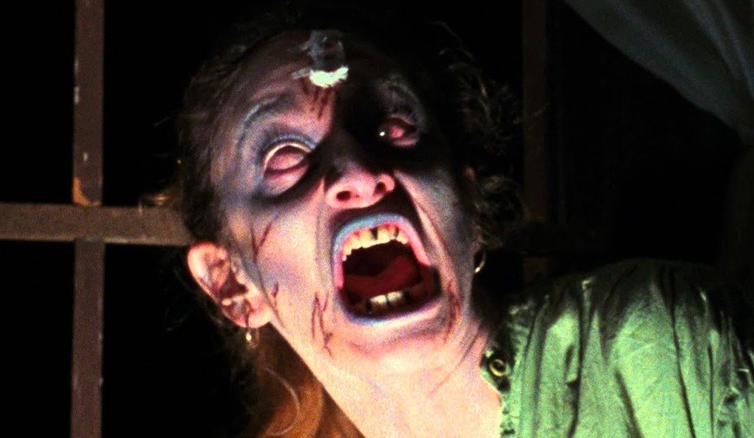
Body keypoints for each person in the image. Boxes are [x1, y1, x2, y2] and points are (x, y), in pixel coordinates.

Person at [166, 2, 753, 436]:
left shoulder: (659, 354)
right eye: (284, 157)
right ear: (230, 281)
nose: (360, 173)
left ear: (468, 206)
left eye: (393, 126)